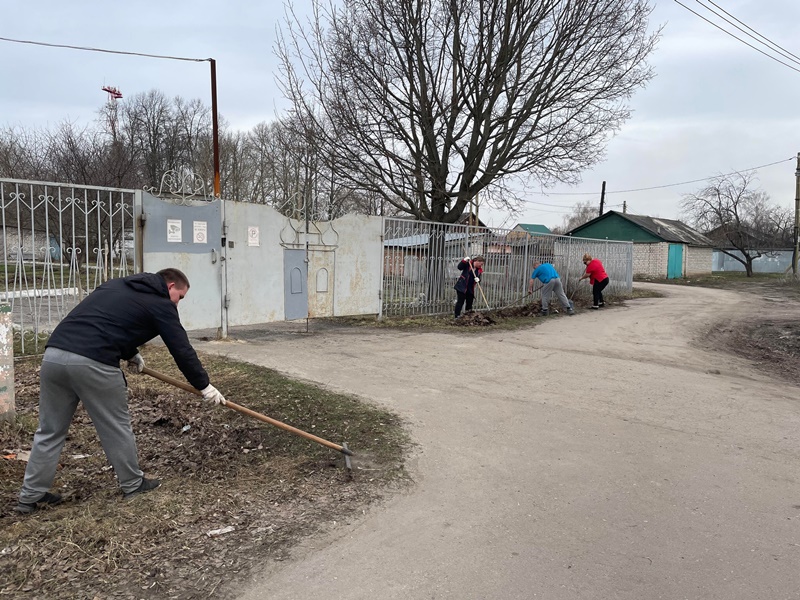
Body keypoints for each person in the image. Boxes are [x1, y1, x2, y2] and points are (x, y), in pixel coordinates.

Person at [15, 268, 227, 514]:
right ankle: (133, 484)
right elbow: (181, 349)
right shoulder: (161, 304)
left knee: (49, 430)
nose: (178, 304)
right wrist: (204, 385)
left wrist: (130, 353)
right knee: (115, 427)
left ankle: (30, 496)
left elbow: (106, 321)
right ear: (170, 287)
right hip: (94, 362)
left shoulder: (116, 286)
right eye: (180, 297)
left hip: (54, 357)